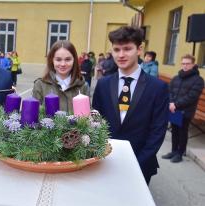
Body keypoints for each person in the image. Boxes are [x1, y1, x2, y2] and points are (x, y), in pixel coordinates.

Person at [92, 26, 169, 184]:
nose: (121, 55)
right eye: (116, 49)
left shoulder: (157, 87)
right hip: (106, 161)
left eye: (127, 49)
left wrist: (137, 163)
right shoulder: (103, 84)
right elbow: (96, 121)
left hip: (140, 163)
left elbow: (158, 131)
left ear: (139, 49)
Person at [162, 54, 204, 163]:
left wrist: (176, 104)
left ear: (193, 64)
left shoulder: (198, 80)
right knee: (174, 130)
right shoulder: (177, 77)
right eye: (183, 63)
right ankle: (173, 151)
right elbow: (169, 91)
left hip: (186, 110)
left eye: (187, 63)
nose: (185, 66)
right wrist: (171, 102)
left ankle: (180, 153)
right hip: (174, 109)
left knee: (182, 131)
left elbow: (192, 96)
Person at [32, 40, 88, 113]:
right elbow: (34, 115)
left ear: (74, 60)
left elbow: (86, 116)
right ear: (52, 60)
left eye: (68, 59)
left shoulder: (82, 86)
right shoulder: (40, 85)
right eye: (58, 60)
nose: (63, 64)